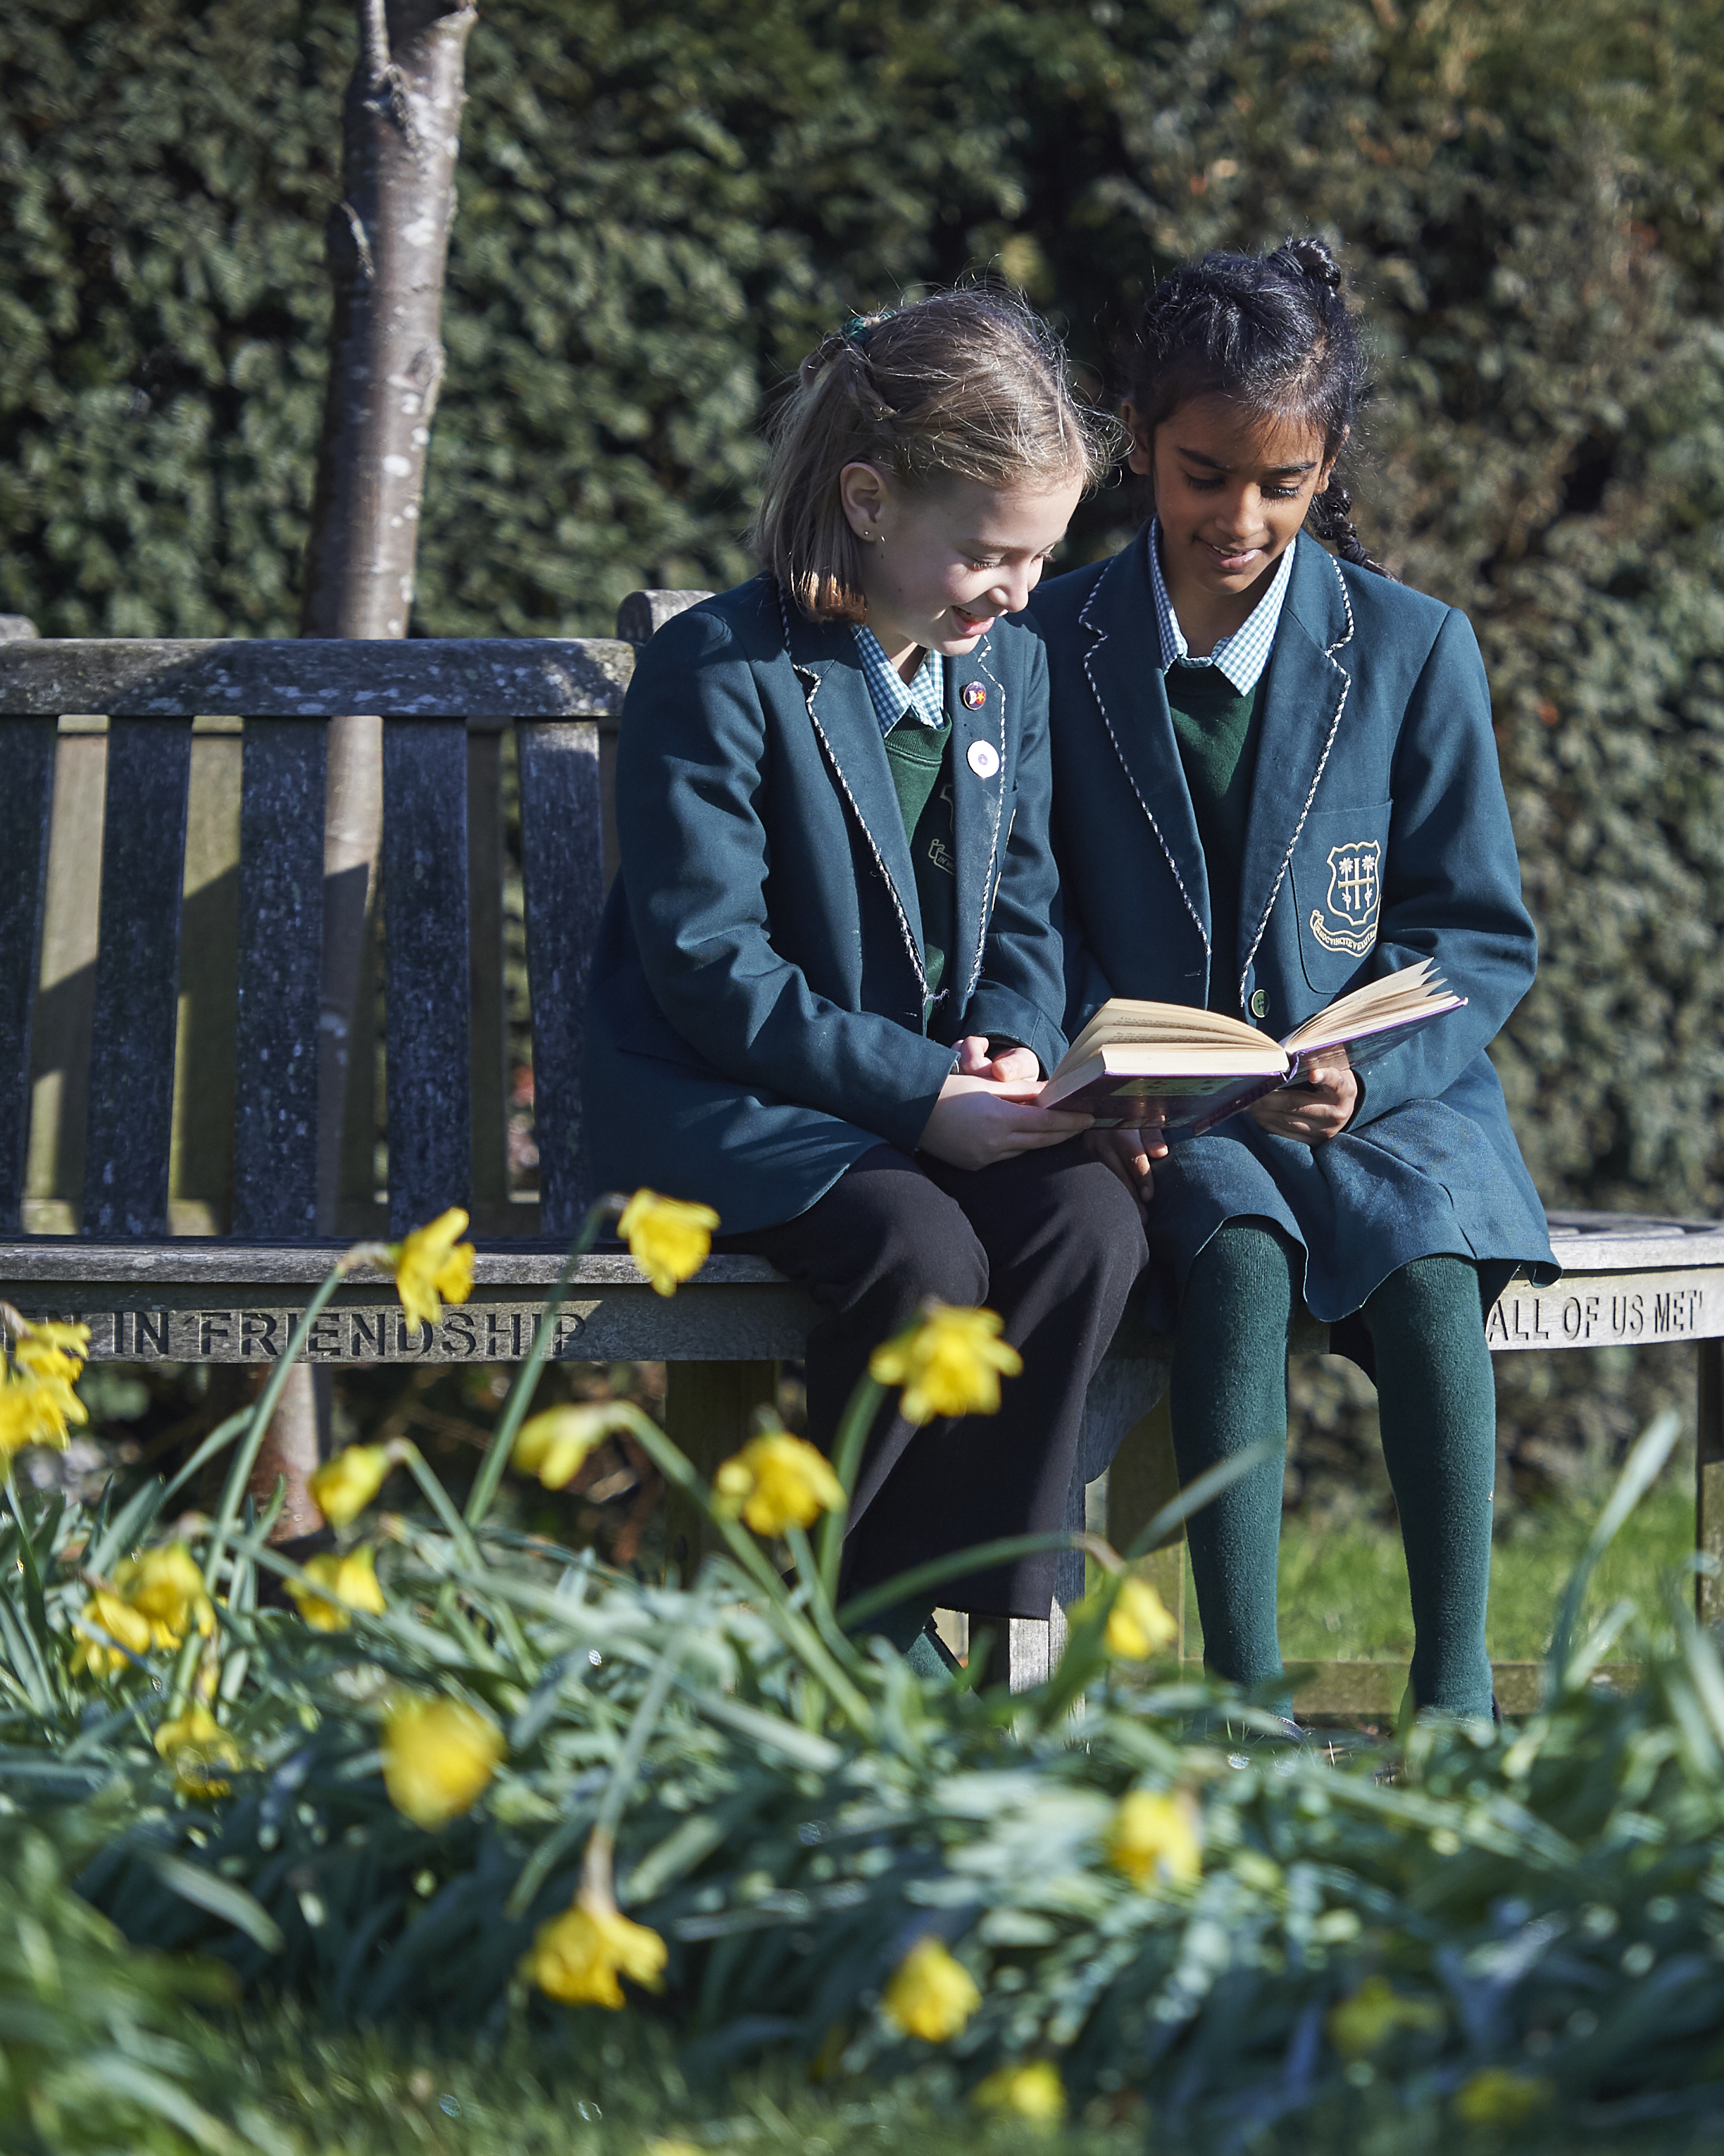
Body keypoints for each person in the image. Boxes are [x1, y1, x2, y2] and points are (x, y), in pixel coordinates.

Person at [1020, 237, 1552, 1723]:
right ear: (1136, 444)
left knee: (1429, 1259)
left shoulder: (1412, 646)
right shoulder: (1050, 643)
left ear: (1328, 470)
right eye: (1203, 474)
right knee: (1234, 1256)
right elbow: (1018, 901)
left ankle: (1456, 1693)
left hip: (1387, 1101)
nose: (1237, 517)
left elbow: (1478, 930)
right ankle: (1242, 1699)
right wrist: (1087, 1070)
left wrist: (1368, 1067)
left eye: (1283, 483)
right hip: (1167, 1110)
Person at [581, 287, 1143, 1664]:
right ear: (871, 501)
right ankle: (853, 1615)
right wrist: (915, 1093)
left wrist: (1014, 1042)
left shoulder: (1000, 668)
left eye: (1039, 556)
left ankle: (984, 1606)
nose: (1019, 591)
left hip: (929, 1099)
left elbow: (1025, 909)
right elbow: (711, 966)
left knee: (1092, 1227)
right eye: (990, 554)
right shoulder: (719, 671)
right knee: (920, 1251)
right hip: (736, 1096)